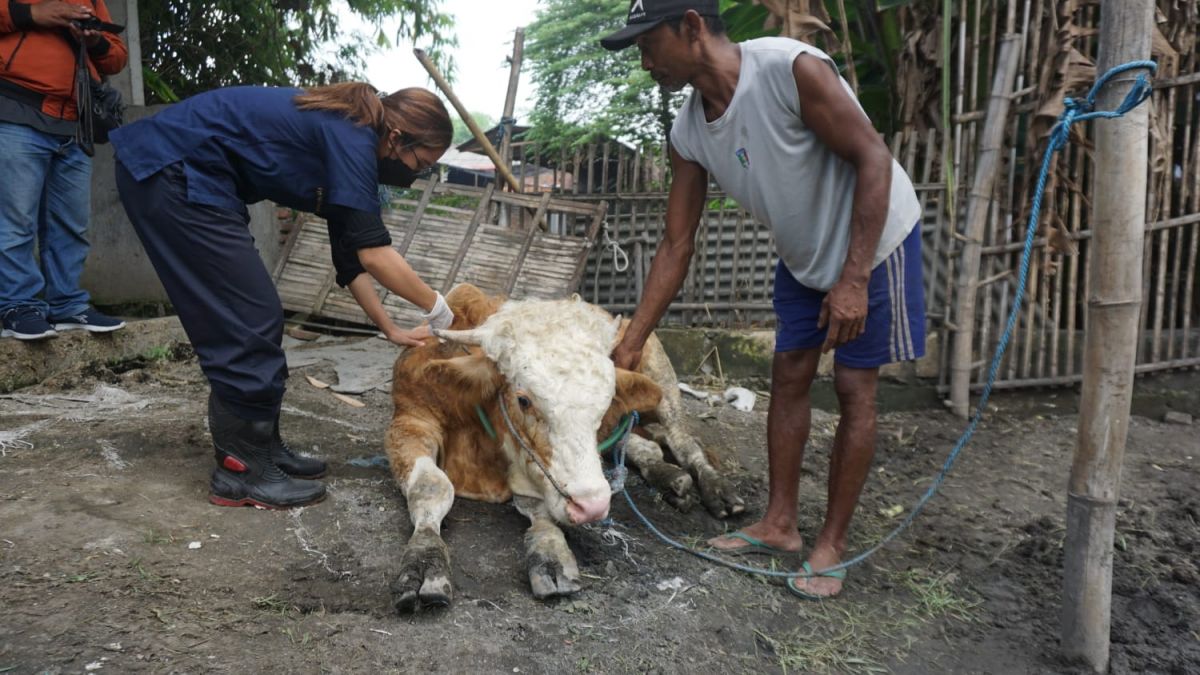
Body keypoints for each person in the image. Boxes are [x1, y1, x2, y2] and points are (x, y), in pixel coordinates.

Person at [602, 0, 925, 599]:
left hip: (874, 242)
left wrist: (854, 279)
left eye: (648, 45)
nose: (644, 62)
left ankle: (832, 542)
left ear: (692, 26)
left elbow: (873, 157)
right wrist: (632, 342)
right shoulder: (689, 130)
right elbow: (676, 243)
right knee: (789, 374)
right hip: (803, 256)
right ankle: (779, 525)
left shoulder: (790, 69)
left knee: (855, 388)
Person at [110, 83, 456, 510]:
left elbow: (351, 259)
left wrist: (389, 327)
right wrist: (442, 312)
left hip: (201, 178)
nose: (414, 175)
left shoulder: (352, 144)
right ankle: (242, 473)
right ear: (397, 136)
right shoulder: (353, 135)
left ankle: (264, 449)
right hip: (172, 170)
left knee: (255, 313)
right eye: (420, 164)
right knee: (250, 315)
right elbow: (377, 254)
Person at [0, 0, 128, 341]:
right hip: (16, 110)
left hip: (75, 120)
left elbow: (116, 57)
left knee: (71, 223)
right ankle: (19, 306)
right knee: (16, 221)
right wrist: (35, 14)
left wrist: (93, 38)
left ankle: (68, 304)